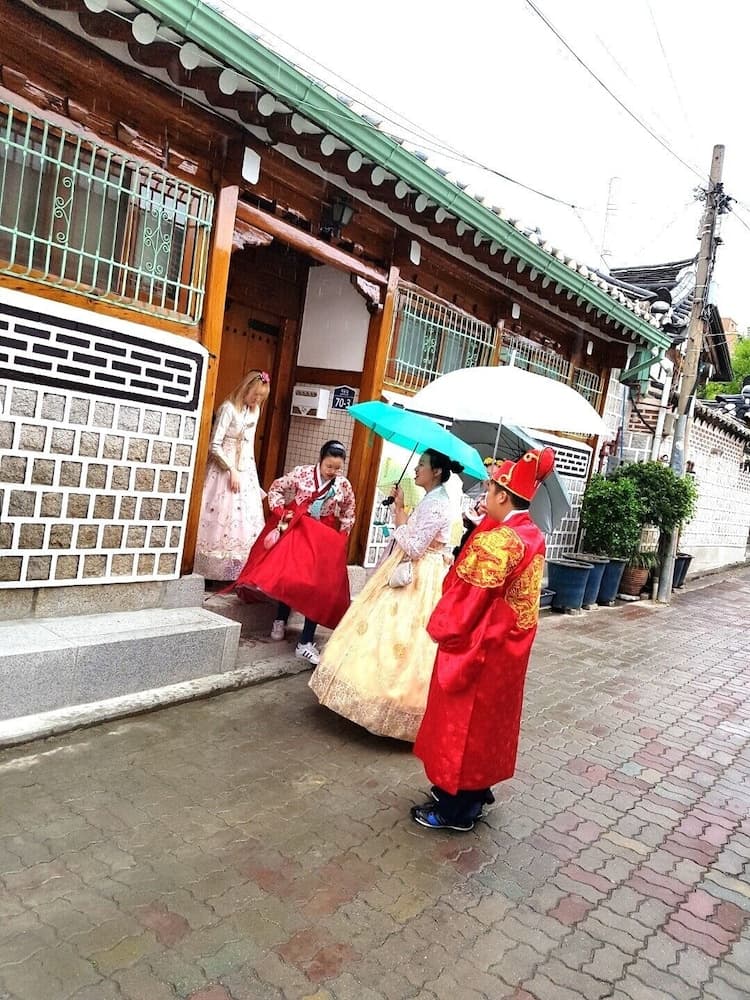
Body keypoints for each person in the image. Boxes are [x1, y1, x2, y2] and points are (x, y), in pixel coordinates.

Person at [411, 447, 556, 832]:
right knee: (490, 724)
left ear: (503, 496)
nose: (484, 496)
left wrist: (445, 629)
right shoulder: (529, 534)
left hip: (480, 646)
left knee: (462, 724)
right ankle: (475, 791)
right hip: (507, 648)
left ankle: (456, 809)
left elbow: (465, 600)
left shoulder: (499, 542)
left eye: (490, 490)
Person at [309, 449, 461, 741]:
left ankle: (387, 707)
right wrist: (401, 508)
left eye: (422, 465)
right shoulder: (432, 499)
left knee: (403, 640)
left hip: (419, 578)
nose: (416, 470)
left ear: (437, 471)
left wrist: (398, 522)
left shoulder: (438, 504)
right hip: (411, 569)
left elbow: (416, 547)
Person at [234, 440, 356, 665]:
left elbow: (349, 509)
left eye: (337, 468)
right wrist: (280, 510)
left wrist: (343, 534)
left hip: (324, 536)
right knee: (292, 577)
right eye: (329, 466)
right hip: (299, 529)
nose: (333, 472)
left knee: (319, 587)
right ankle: (280, 619)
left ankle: (306, 641)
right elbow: (277, 487)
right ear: (320, 460)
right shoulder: (302, 473)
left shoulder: (343, 485)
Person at [194, 370, 270, 582]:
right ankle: (210, 570)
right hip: (223, 469)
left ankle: (238, 573)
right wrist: (231, 469)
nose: (257, 400)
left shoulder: (255, 411)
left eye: (261, 397)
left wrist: (250, 476)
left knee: (245, 521)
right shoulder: (228, 409)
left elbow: (249, 445)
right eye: (255, 395)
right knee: (218, 515)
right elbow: (214, 445)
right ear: (245, 389)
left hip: (245, 469)